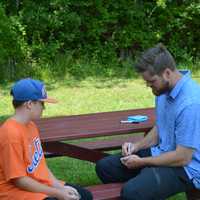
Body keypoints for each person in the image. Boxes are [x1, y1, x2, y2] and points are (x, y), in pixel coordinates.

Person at [96, 43, 200, 200]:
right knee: (105, 167)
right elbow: (161, 127)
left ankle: (147, 181)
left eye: (151, 82)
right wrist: (136, 146)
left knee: (132, 192)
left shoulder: (190, 103)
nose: (149, 86)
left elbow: (183, 157)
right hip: (163, 152)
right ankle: (148, 180)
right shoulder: (164, 91)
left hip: (187, 167)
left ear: (167, 73)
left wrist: (143, 162)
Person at [0, 78, 93, 200]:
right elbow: (19, 181)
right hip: (15, 192)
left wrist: (59, 187)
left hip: (38, 184)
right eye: (42, 103)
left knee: (84, 196)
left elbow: (42, 168)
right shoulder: (10, 134)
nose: (44, 108)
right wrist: (57, 193)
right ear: (29, 104)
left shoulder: (31, 125)